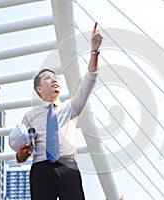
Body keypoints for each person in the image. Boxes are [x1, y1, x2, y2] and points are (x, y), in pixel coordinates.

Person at [15, 25, 103, 200]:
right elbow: (20, 153)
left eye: (55, 77)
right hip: (40, 170)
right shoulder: (30, 116)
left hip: (68, 167)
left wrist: (94, 51)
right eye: (48, 78)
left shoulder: (71, 107)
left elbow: (89, 80)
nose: (54, 79)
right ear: (39, 89)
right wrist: (20, 156)